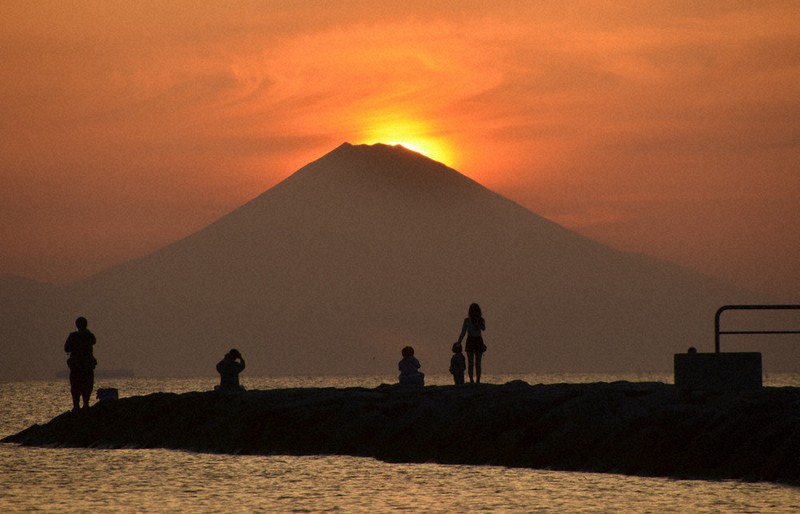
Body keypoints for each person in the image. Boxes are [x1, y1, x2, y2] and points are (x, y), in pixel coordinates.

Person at [64, 316, 97, 412]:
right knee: (87, 385)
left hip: (77, 366)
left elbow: (66, 348)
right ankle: (85, 404)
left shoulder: (73, 336)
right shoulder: (89, 335)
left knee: (76, 386)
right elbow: (93, 341)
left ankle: (76, 406)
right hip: (86, 366)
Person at [455, 303, 486, 384]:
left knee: (477, 363)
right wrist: (459, 342)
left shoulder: (480, 320)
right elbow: (463, 332)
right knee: (471, 363)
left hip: (477, 340)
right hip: (471, 340)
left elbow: (483, 328)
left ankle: (477, 380)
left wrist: (478, 323)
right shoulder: (467, 320)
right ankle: (472, 379)